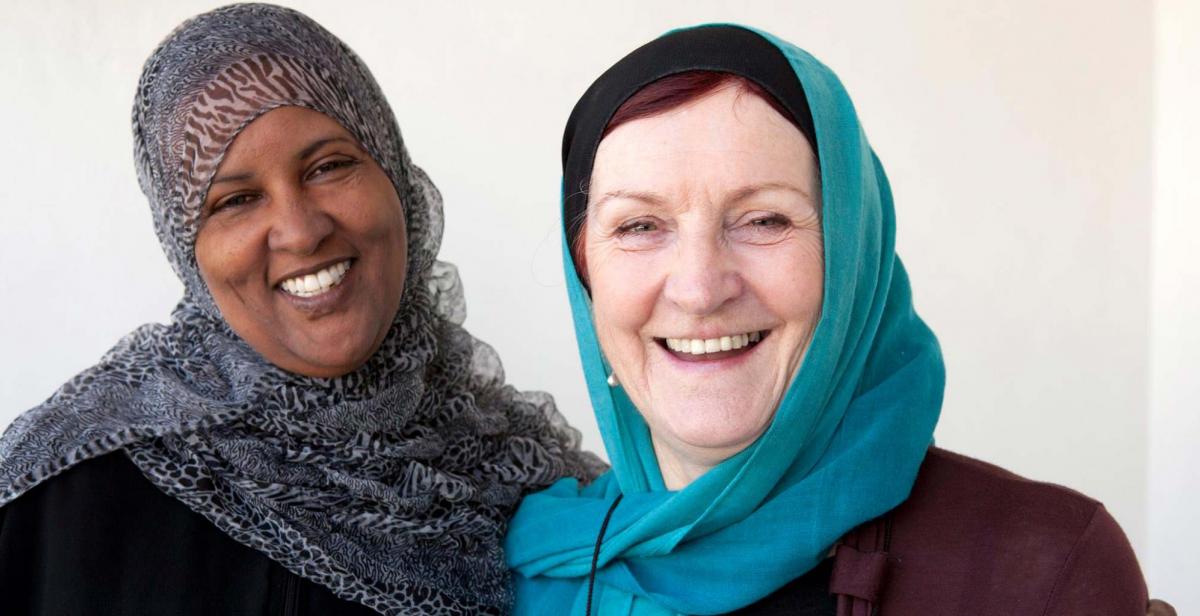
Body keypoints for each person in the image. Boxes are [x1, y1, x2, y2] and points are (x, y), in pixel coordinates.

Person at [506, 24, 1173, 615]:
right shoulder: (511, 575)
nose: (700, 287)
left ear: (853, 256)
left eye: (764, 219)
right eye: (641, 225)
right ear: (585, 272)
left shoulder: (1042, 574)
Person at [0, 4, 597, 615]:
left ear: (394, 176)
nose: (299, 231)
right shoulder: (66, 497)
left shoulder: (527, 479)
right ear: (188, 251)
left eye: (329, 166)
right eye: (236, 200)